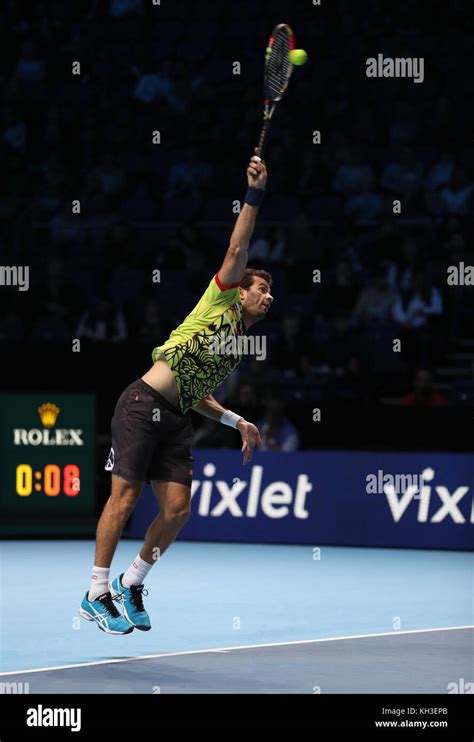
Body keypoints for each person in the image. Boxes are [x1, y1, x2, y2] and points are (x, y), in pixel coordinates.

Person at [80, 155, 273, 634]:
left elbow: (197, 392)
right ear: (240, 291)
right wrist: (255, 193)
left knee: (178, 510)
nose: (269, 296)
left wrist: (235, 421)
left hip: (177, 418)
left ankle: (132, 581)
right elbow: (236, 247)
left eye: (272, 292)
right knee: (123, 500)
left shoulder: (236, 346)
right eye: (263, 288)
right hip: (142, 405)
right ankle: (95, 591)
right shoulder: (221, 300)